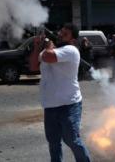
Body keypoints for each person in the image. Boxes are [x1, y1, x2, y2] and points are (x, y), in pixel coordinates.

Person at [38, 23, 91, 162]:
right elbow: (32, 64)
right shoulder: (51, 50)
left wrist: (47, 45)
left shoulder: (71, 50)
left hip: (69, 104)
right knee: (53, 142)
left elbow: (48, 57)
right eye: (61, 32)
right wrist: (38, 45)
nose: (60, 35)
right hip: (50, 105)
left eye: (65, 34)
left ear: (72, 40)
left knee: (72, 140)